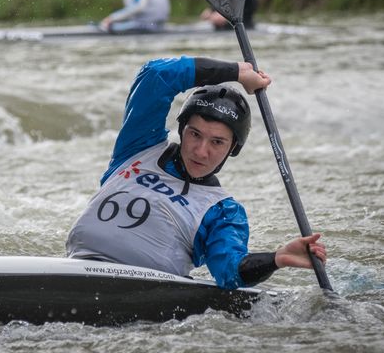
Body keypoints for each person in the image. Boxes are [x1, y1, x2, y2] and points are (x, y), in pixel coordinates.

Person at [66, 56, 327, 289]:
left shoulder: (222, 211)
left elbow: (229, 273)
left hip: (144, 290)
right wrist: (236, 72)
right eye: (195, 134)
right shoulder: (137, 147)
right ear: (181, 130)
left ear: (232, 148)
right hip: (76, 269)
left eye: (217, 142)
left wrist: (276, 259)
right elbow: (156, 74)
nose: (201, 152)